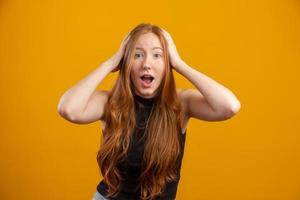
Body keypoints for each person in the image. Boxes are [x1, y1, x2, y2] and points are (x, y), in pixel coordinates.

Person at [57, 23, 241, 200]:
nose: (146, 63)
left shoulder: (181, 104)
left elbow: (229, 106)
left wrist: (179, 63)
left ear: (167, 64)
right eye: (137, 55)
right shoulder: (110, 103)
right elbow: (68, 109)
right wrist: (111, 63)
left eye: (157, 55)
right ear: (126, 63)